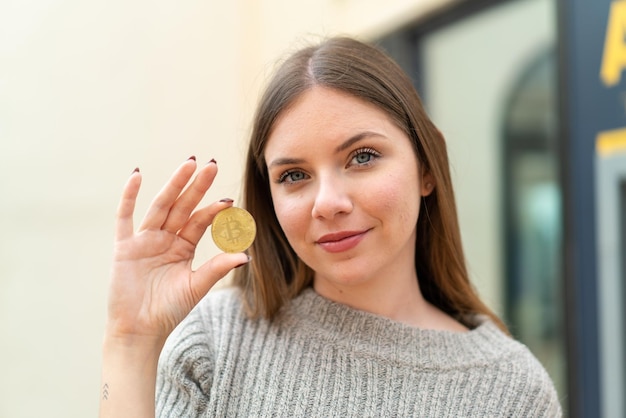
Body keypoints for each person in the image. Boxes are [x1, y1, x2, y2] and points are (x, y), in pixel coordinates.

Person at [99, 36, 562, 417]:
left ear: (426, 167)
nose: (328, 204)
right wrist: (130, 341)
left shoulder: (511, 390)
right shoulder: (217, 341)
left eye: (362, 157)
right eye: (294, 176)